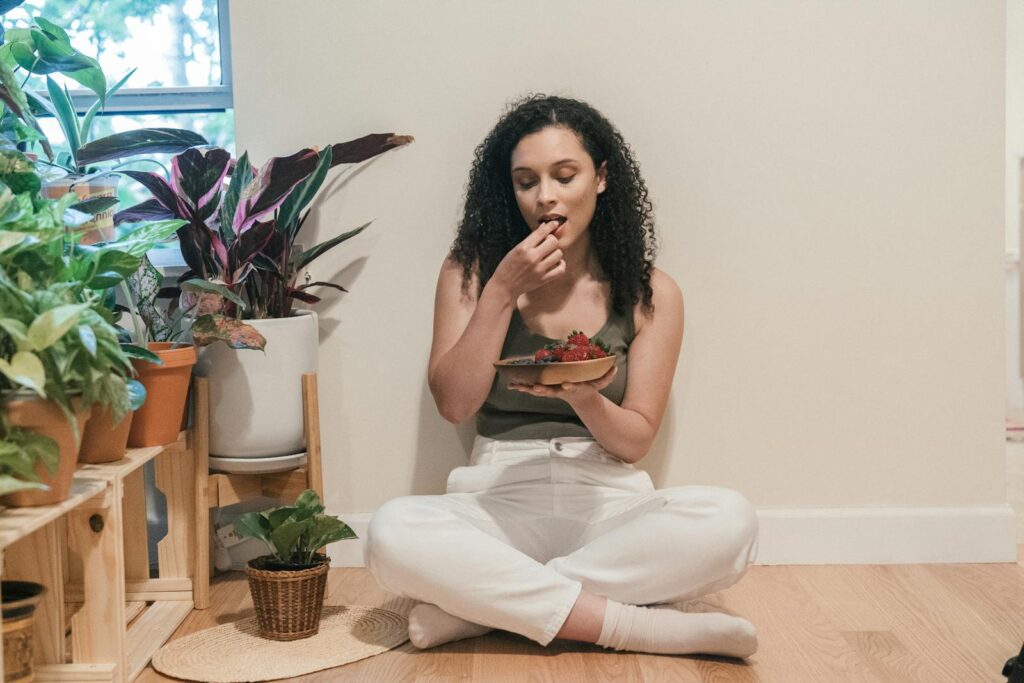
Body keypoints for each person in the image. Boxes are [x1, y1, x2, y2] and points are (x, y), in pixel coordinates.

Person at [365, 94, 760, 658]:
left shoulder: (651, 293)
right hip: (498, 495)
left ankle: (483, 608)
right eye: (526, 181)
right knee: (390, 532)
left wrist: (585, 397)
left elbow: (635, 441)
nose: (545, 196)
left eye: (564, 175)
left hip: (608, 499)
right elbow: (454, 404)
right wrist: (502, 290)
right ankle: (637, 628)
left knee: (730, 520)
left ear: (600, 178)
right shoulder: (473, 273)